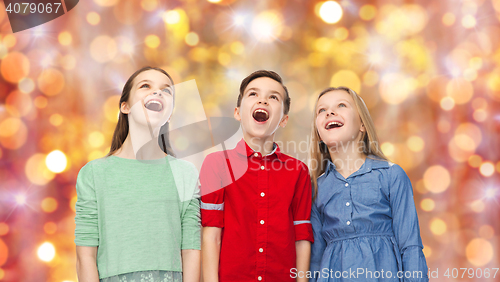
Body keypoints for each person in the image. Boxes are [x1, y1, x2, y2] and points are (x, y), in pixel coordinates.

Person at [74, 66, 201, 282]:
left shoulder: (185, 174)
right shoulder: (94, 174)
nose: (157, 92)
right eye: (146, 86)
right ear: (125, 106)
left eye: (166, 90)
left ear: (170, 114)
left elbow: (191, 251)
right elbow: (85, 256)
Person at [201, 70, 313, 282]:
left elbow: (302, 237)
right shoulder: (216, 165)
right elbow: (211, 235)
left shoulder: (298, 171)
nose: (263, 99)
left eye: (273, 97)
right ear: (237, 112)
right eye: (253, 94)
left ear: (284, 120)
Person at [308, 86, 429, 282]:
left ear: (362, 124)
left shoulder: (391, 175)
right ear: (318, 131)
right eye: (321, 110)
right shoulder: (316, 188)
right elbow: (315, 259)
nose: (329, 112)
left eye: (341, 105)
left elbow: (410, 246)